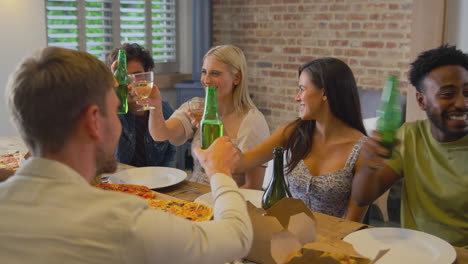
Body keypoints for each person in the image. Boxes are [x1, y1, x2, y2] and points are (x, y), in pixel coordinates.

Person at [0, 46, 253, 263]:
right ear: (93, 121)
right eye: (114, 109)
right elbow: (236, 237)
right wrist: (219, 171)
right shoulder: (123, 222)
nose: (121, 123)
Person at [352, 45, 468, 248]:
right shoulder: (410, 136)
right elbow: (363, 197)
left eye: (467, 92)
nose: (462, 103)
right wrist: (368, 166)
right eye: (448, 94)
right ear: (421, 101)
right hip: (418, 252)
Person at [235, 58, 369, 222]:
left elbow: (352, 223)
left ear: (324, 93)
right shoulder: (293, 132)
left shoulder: (362, 150)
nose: (297, 98)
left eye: (302, 89)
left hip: (333, 241)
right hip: (287, 235)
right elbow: (243, 162)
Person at [147, 44, 270, 189]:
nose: (206, 80)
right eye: (204, 72)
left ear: (236, 78)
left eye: (215, 73)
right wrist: (155, 105)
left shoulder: (252, 121)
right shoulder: (196, 107)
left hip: (228, 202)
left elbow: (253, 187)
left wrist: (218, 200)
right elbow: (160, 134)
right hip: (194, 196)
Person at [106, 43, 176, 167]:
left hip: (158, 181)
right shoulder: (112, 113)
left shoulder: (164, 110)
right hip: (121, 182)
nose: (131, 83)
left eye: (137, 75)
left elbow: (170, 154)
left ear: (148, 73)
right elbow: (114, 159)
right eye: (125, 77)